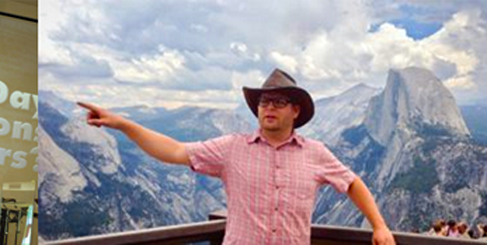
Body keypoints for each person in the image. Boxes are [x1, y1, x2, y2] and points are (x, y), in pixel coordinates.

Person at [78, 68, 394, 244]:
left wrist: (378, 226)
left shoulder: (316, 154)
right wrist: (122, 124)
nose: (268, 106)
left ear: (295, 111)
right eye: (263, 101)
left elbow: (352, 183)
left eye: (278, 101)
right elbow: (173, 150)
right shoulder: (231, 148)